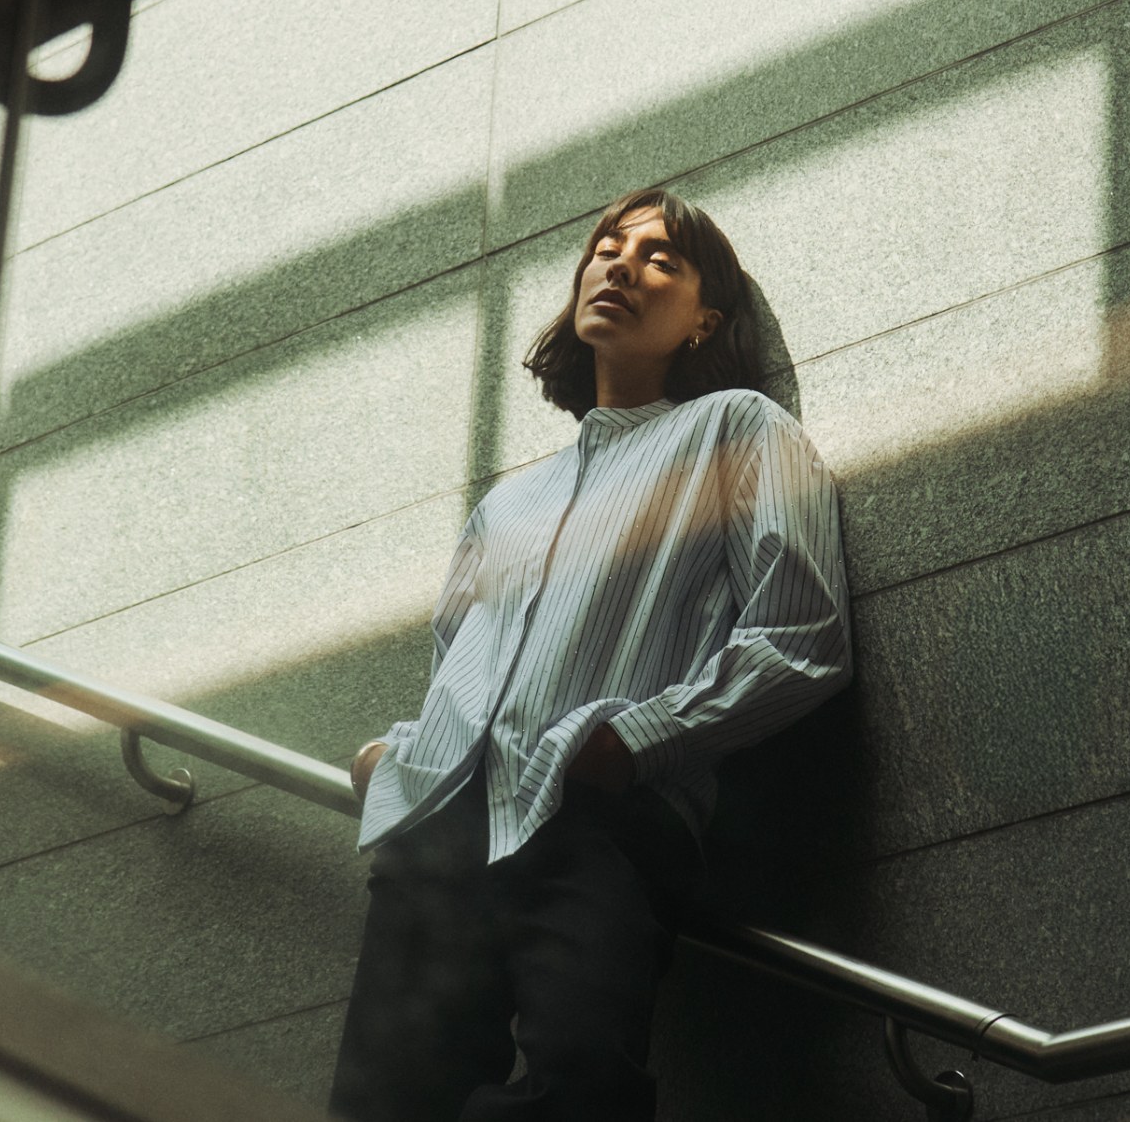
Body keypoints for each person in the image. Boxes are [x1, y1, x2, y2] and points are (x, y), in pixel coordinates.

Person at [330, 187, 852, 1121]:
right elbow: (464, 669)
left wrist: (637, 741)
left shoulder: (738, 430)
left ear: (706, 320)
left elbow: (801, 636)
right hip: (443, 822)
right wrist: (395, 751)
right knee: (386, 1103)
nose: (618, 264)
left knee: (582, 1090)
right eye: (607, 246)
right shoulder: (507, 505)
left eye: (661, 258)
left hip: (597, 820)